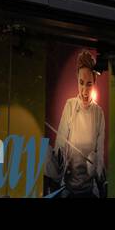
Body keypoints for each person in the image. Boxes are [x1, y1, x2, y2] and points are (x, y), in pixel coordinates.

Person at [46, 49, 106, 197]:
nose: (84, 90)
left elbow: (100, 155)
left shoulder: (99, 114)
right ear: (77, 80)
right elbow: (60, 145)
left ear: (94, 83)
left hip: (89, 190)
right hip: (68, 188)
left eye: (89, 84)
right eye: (81, 83)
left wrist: (96, 167)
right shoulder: (70, 106)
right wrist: (55, 162)